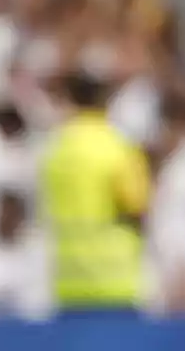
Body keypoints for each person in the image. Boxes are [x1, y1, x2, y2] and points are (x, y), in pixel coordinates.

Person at [40, 70, 151, 315]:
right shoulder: (117, 147)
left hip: (68, 279)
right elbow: (137, 207)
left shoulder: (56, 148)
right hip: (115, 279)